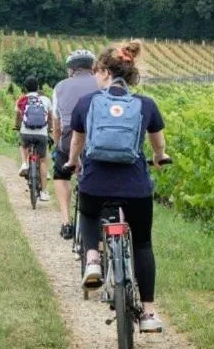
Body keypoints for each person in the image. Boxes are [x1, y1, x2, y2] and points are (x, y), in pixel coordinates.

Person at [64, 40, 173, 333]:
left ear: (103, 72)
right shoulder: (145, 105)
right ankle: (149, 314)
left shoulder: (87, 103)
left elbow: (76, 142)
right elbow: (158, 144)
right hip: (135, 187)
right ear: (132, 74)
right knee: (142, 244)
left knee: (87, 212)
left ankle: (93, 260)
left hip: (96, 184)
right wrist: (160, 157)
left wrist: (73, 162)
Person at [51, 49, 98, 240]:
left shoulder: (60, 87)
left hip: (69, 140)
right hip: (97, 140)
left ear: (71, 70)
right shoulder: (101, 82)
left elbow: (56, 122)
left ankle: (66, 222)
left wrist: (57, 146)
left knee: (60, 176)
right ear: (92, 67)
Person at [15, 76, 53, 202]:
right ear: (38, 87)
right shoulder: (45, 100)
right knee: (42, 161)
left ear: (25, 88)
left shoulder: (22, 100)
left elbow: (18, 116)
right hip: (42, 133)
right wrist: (50, 129)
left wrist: (17, 126)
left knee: (22, 143)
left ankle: (25, 164)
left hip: (26, 132)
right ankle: (43, 192)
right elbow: (50, 118)